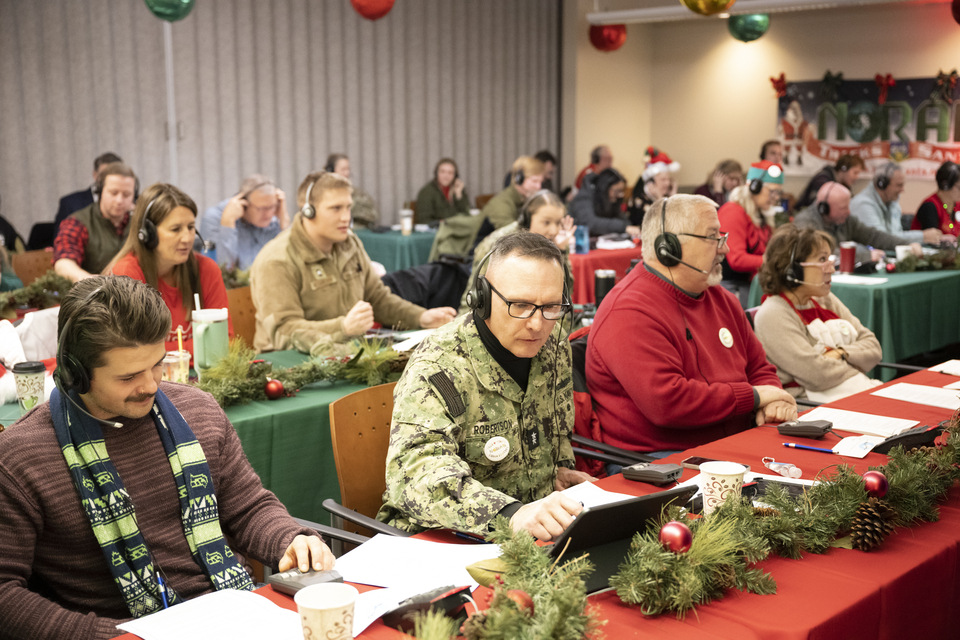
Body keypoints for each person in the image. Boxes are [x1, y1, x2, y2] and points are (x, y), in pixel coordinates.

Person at [0, 276, 333, 640]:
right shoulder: (21, 459)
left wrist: (289, 539)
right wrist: (114, 636)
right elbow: (5, 595)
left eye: (157, 364)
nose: (151, 385)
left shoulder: (198, 409)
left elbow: (248, 507)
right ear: (75, 372)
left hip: (237, 615)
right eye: (128, 376)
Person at [379, 232, 593, 540]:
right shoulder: (440, 365)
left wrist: (556, 474)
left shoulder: (554, 346)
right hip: (440, 540)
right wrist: (511, 514)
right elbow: (416, 474)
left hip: (531, 536)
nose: (537, 324)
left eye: (551, 306)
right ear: (482, 297)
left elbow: (554, 439)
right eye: (520, 305)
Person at [586, 194, 797, 460]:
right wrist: (756, 396)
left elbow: (759, 368)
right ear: (669, 247)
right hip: (662, 464)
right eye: (713, 237)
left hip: (736, 446)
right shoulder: (628, 311)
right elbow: (667, 403)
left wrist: (774, 400)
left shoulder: (723, 299)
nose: (725, 249)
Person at [250, 171, 456, 354]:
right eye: (336, 208)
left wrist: (421, 317)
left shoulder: (349, 243)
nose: (346, 218)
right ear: (308, 211)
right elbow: (284, 332)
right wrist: (343, 328)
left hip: (345, 354)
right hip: (289, 367)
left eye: (348, 207)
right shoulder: (277, 260)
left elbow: (377, 297)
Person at [754, 225, 882, 402]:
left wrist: (841, 353)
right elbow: (816, 374)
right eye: (822, 260)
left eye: (830, 259)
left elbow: (874, 348)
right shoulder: (773, 313)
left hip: (848, 392)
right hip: (809, 406)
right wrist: (857, 363)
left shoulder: (825, 299)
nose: (831, 269)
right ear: (792, 269)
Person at [107, 183, 233, 360]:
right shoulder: (127, 274)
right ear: (147, 233)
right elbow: (132, 352)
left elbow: (225, 341)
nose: (187, 238)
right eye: (176, 229)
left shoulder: (206, 269)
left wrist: (164, 350)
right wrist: (202, 345)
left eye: (190, 227)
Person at [459, 190, 574, 313]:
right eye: (546, 222)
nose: (553, 230)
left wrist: (560, 252)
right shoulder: (499, 244)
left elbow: (564, 294)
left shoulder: (557, 242)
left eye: (558, 223)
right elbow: (476, 293)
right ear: (528, 219)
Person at [793, 182, 922, 265]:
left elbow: (873, 236)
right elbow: (820, 254)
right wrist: (865, 256)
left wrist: (906, 245)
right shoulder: (804, 224)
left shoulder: (846, 220)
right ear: (824, 208)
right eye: (843, 208)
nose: (848, 212)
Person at [54, 162, 137, 283]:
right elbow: (63, 264)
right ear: (100, 191)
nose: (119, 200)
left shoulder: (139, 221)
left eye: (126, 194)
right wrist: (93, 283)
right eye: (114, 193)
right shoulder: (78, 222)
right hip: (93, 296)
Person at [717, 161, 783, 307]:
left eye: (778, 192)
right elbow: (737, 260)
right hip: (735, 288)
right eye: (772, 191)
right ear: (755, 187)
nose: (776, 197)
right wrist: (772, 261)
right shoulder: (733, 211)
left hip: (752, 284)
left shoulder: (760, 213)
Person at [199, 174, 290, 270]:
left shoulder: (273, 219)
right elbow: (221, 268)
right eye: (261, 208)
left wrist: (285, 223)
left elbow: (288, 264)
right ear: (244, 204)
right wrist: (228, 224)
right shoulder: (213, 218)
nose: (268, 214)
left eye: (272, 207)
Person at [852, 162, 949, 245]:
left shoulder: (893, 204)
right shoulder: (863, 205)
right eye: (899, 185)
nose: (902, 190)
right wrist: (923, 236)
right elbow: (882, 240)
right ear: (881, 184)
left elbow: (895, 234)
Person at [54, 152, 124, 236]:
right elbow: (59, 239)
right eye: (104, 175)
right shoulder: (71, 203)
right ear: (95, 175)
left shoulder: (131, 203)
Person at [568, 168, 640, 237]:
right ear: (604, 188)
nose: (620, 195)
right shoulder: (584, 197)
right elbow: (590, 223)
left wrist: (627, 226)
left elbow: (623, 219)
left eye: (622, 191)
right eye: (617, 191)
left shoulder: (612, 199)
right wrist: (623, 227)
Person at [482, 156, 545, 230]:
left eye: (540, 182)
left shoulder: (525, 201)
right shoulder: (502, 204)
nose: (539, 186)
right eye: (535, 181)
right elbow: (513, 237)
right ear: (519, 179)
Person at [627, 146, 679, 227]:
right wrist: (659, 199)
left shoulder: (667, 196)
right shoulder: (639, 201)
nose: (667, 183)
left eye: (668, 180)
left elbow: (678, 222)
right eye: (663, 180)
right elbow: (661, 226)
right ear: (651, 183)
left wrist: (673, 197)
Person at [324, 153, 379, 228]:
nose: (347, 173)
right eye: (343, 169)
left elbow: (372, 215)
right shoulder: (322, 193)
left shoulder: (356, 193)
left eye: (348, 169)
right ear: (331, 170)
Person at [794, 155, 865, 211]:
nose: (857, 177)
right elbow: (816, 206)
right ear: (844, 169)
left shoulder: (844, 185)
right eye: (855, 173)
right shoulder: (822, 180)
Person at [912, 161, 960, 239]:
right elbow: (930, 240)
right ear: (945, 185)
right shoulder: (930, 206)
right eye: (959, 188)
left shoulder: (956, 205)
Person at [415, 158, 471, 224]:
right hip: (437, 231)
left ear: (455, 176)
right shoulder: (426, 192)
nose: (446, 176)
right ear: (437, 173)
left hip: (458, 229)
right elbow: (424, 220)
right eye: (442, 172)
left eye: (450, 173)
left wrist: (459, 194)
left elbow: (467, 214)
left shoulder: (458, 188)